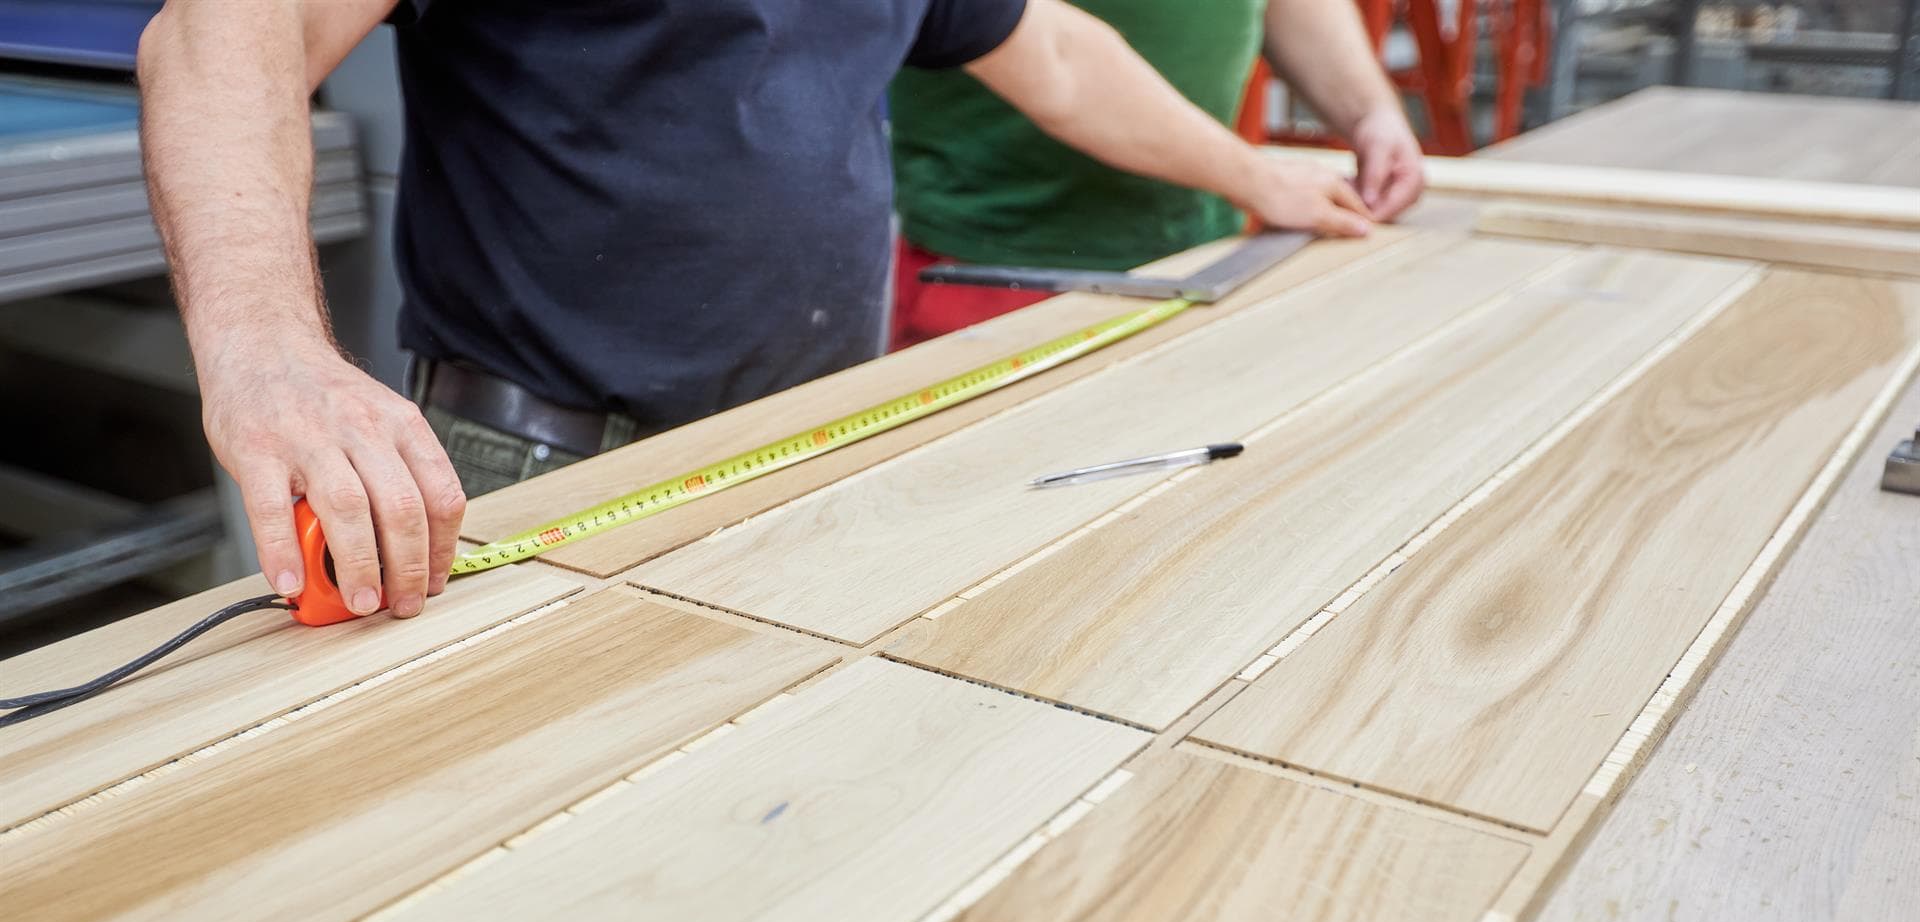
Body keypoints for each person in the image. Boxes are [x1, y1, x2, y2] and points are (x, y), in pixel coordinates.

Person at [136, 0, 1379, 622]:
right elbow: (220, 33)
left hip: (815, 454)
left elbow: (1047, 50)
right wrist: (270, 349)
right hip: (535, 471)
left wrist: (1255, 174)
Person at [890, 0, 1426, 347]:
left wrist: (1367, 110)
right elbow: (1056, 57)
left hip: (1211, 254)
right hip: (999, 275)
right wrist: (1259, 179)